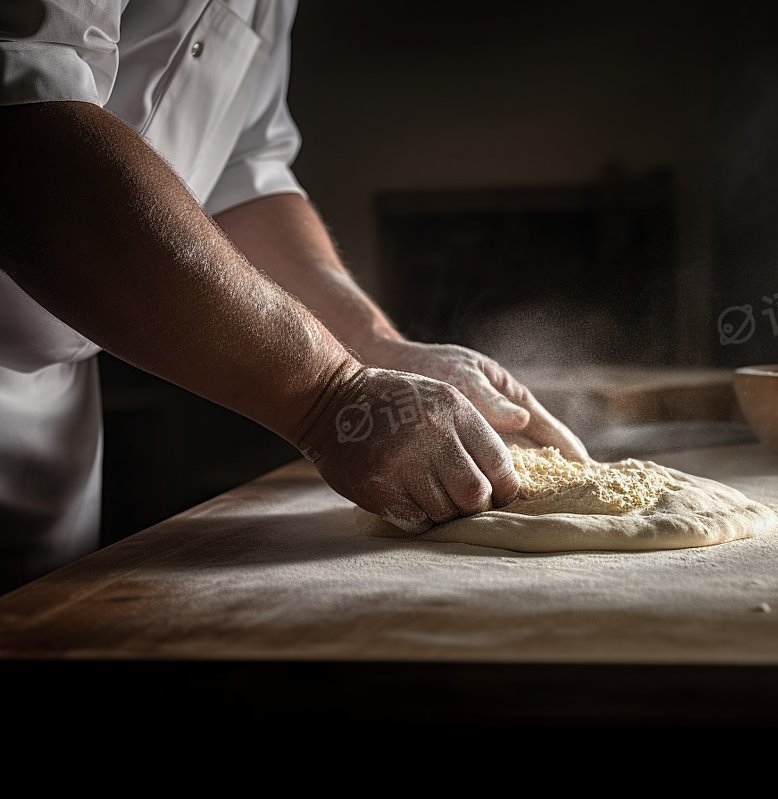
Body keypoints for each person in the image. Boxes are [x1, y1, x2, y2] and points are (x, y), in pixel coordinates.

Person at [0, 0, 587, 591]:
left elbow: (242, 178)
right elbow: (24, 114)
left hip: (51, 407)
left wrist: (374, 347)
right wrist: (329, 394)